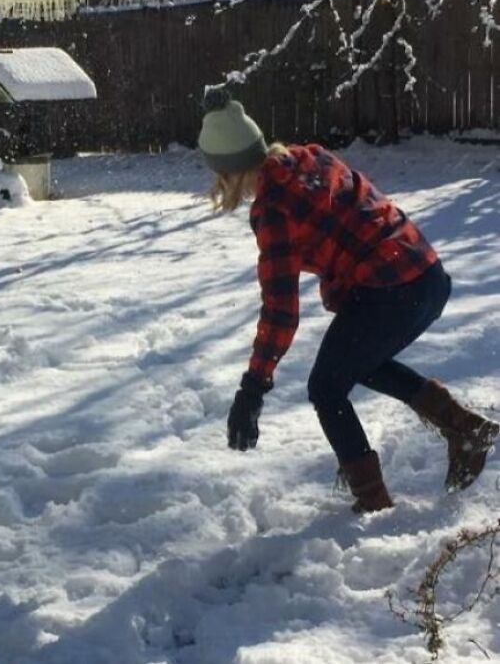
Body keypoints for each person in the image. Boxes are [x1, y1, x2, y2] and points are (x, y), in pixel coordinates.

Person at [197, 90, 499, 513]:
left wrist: (253, 387)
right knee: (357, 364)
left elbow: (280, 310)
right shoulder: (310, 158)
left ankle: (373, 502)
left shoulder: (274, 210)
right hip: (426, 275)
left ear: (226, 170)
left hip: (392, 289)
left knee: (326, 387)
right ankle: (464, 428)